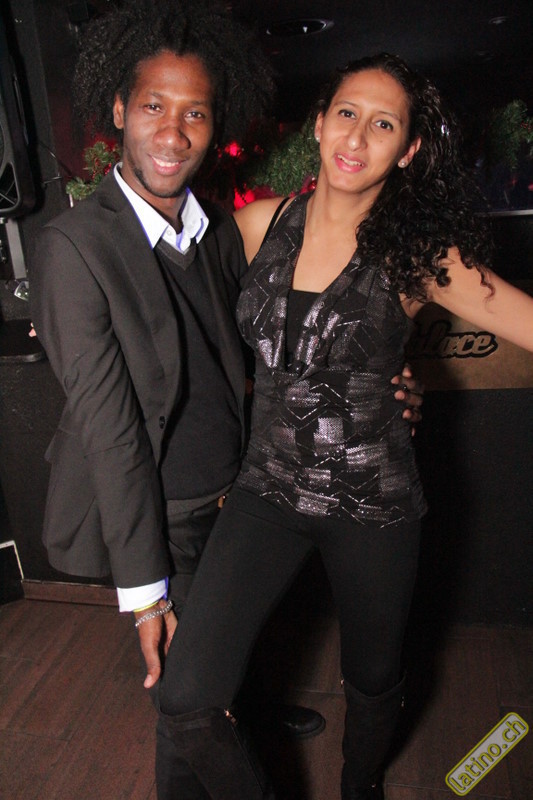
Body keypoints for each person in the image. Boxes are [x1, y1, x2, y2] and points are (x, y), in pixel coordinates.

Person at [29, 0, 423, 770]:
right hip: (159, 504)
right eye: (153, 106)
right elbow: (111, 431)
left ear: (216, 127)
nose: (173, 133)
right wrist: (144, 591)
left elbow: (274, 335)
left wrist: (391, 377)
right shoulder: (74, 247)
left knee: (234, 648)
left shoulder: (215, 229)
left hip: (238, 487)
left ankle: (258, 711)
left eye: (195, 113)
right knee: (185, 707)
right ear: (119, 109)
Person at [154, 53, 533, 800]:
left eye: (383, 124)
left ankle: (362, 787)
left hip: (373, 503)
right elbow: (177, 315)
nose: (358, 137)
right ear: (321, 123)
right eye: (348, 114)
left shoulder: (419, 256)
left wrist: (398, 382)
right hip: (264, 491)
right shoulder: (259, 225)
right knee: (186, 696)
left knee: (372, 679)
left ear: (409, 149)